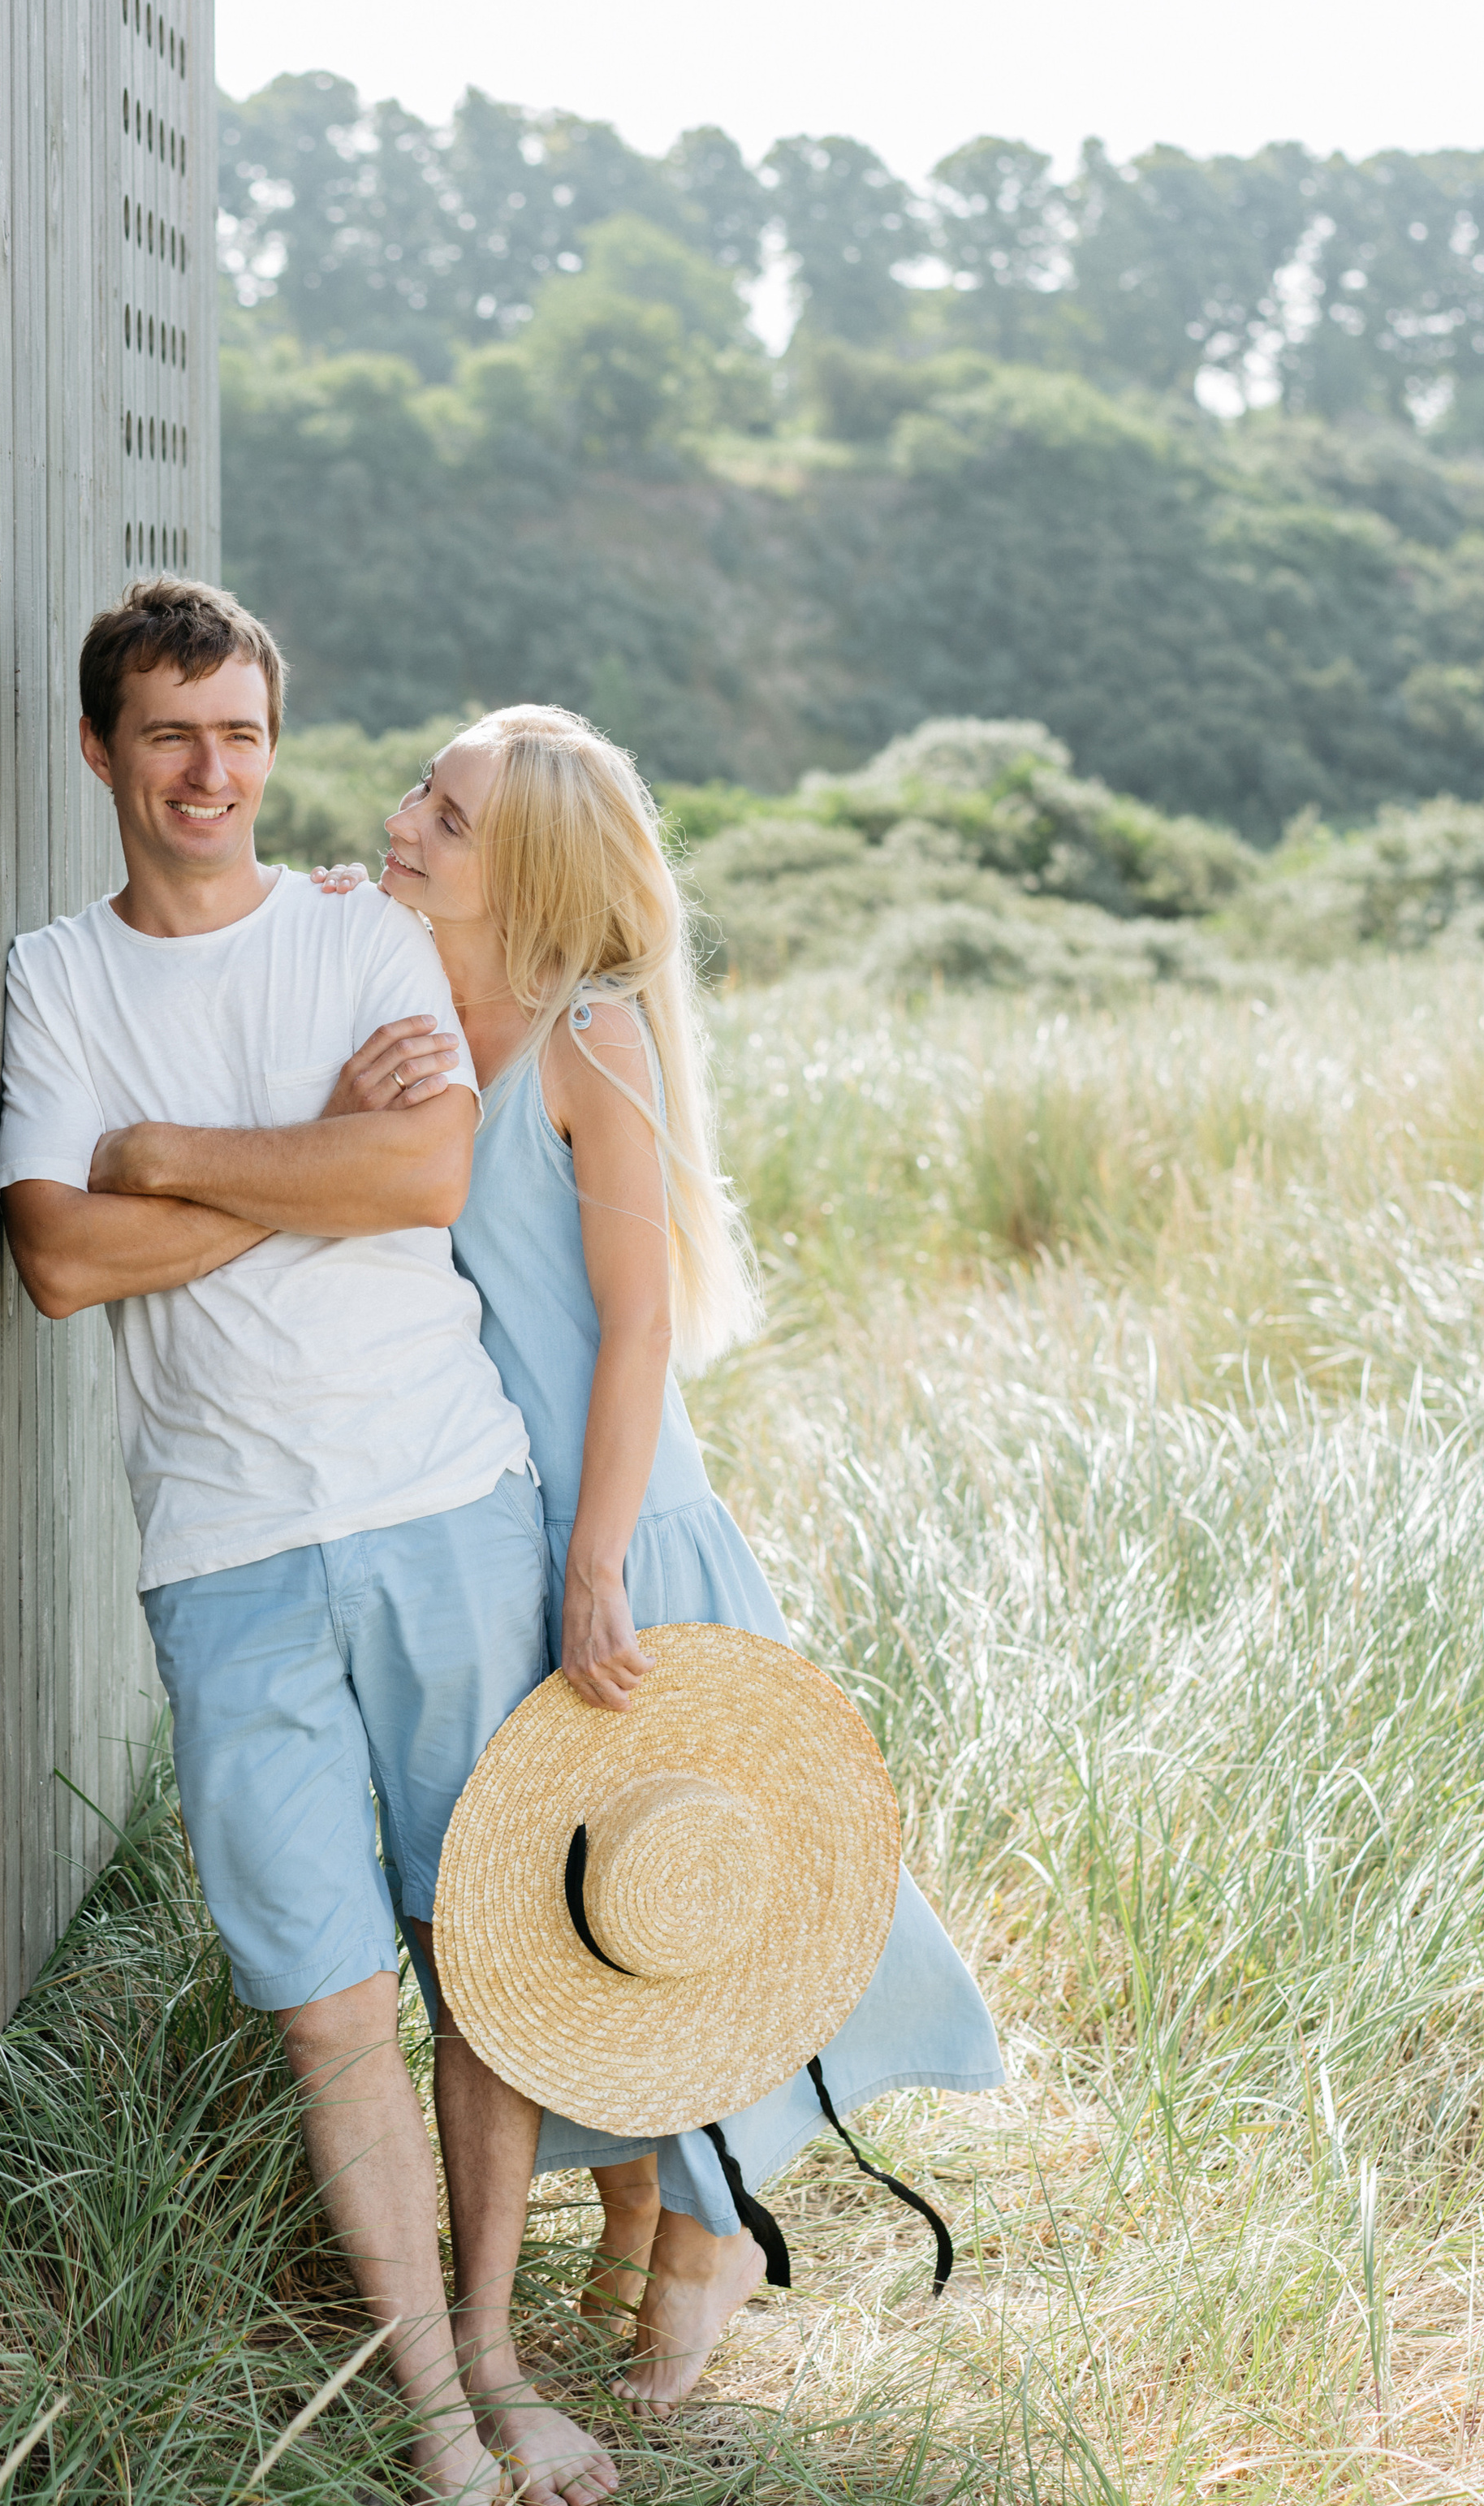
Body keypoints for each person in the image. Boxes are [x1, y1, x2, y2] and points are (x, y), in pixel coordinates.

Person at [0, 580, 615, 2506]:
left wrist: (164, 1154)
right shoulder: (55, 978)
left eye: (243, 731)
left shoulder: (366, 928)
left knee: (479, 1948)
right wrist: (274, 1155)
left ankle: (506, 2354)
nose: (212, 772)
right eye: (171, 732)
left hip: (442, 1498)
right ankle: (430, 2404)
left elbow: (417, 1178)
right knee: (334, 2000)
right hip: (225, 1544)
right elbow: (57, 1260)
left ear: (276, 739)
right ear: (99, 750)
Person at [313, 702, 1002, 2403]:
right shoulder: (405, 989)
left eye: (449, 814)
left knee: (698, 1883)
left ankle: (708, 2219)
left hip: (616, 1525)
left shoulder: (587, 1031)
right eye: (420, 788)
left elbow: (633, 1334)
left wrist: (595, 1558)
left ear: (529, 867)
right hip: (479, 1523)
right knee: (561, 1902)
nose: (408, 819)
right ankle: (643, 2200)